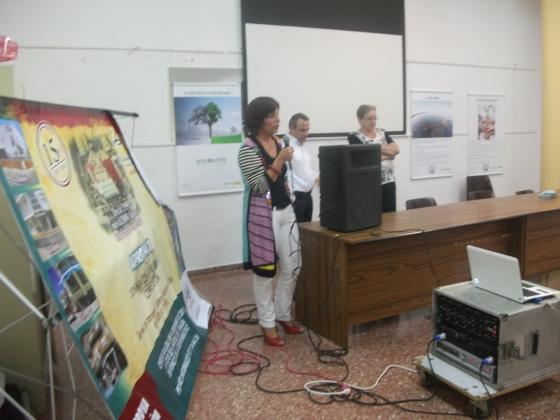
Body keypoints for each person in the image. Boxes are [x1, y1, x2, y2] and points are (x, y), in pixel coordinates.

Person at [237, 97, 304, 347]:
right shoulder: (247, 150)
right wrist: (279, 161)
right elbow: (259, 185)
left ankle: (283, 314)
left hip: (286, 211)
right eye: (272, 115)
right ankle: (267, 324)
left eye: (277, 114)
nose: (278, 119)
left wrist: (289, 192)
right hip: (263, 216)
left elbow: (282, 178)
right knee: (265, 272)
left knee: (293, 266)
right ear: (259, 119)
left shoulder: (279, 142)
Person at [348, 104, 399, 213]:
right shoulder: (354, 137)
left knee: (390, 217)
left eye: (374, 118)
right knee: (372, 216)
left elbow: (396, 150)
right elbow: (366, 160)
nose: (373, 122)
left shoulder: (382, 132)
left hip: (389, 182)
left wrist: (375, 148)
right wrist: (389, 155)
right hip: (369, 185)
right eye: (369, 118)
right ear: (360, 120)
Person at [284, 113, 318, 223]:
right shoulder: (284, 145)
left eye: (307, 130)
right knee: (296, 231)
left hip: (307, 196)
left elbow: (305, 169)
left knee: (307, 230)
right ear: (291, 128)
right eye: (302, 130)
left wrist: (316, 177)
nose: (306, 134)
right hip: (295, 197)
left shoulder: (302, 144)